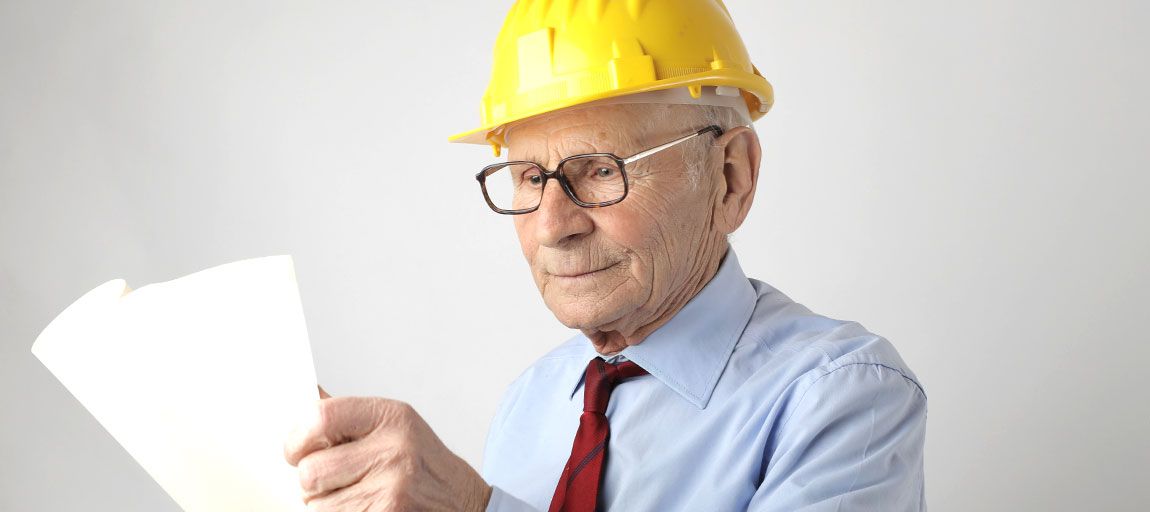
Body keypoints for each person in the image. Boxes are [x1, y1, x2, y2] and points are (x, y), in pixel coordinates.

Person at [283, 1, 927, 510]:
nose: (553, 226)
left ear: (730, 174)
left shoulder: (842, 399)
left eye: (600, 170)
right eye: (531, 178)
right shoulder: (531, 403)